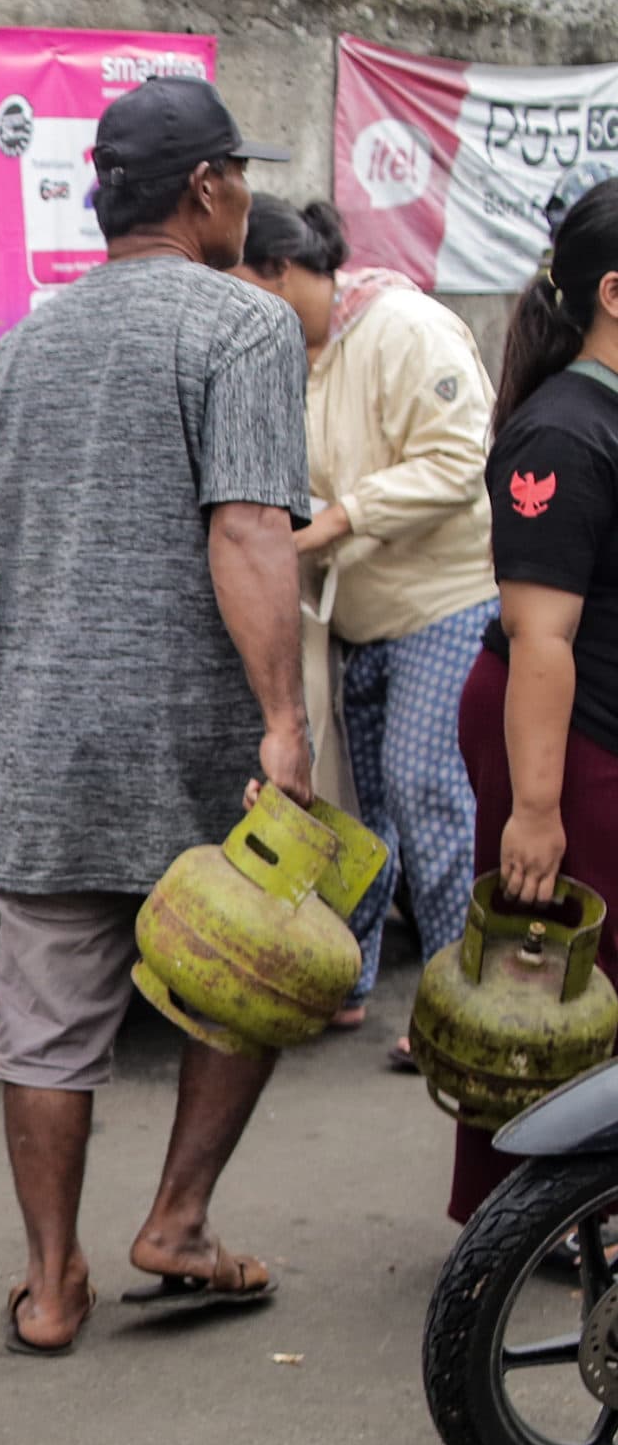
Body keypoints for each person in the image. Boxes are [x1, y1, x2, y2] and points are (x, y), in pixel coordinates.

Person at [0, 76, 311, 1356]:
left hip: (45, 738)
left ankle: (52, 1285)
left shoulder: (17, 352)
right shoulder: (244, 326)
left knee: (44, 1023)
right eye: (242, 177)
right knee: (249, 974)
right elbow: (251, 525)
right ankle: (178, 1216)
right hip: (196, 736)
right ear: (208, 187)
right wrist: (284, 717)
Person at [236, 195, 499, 1046]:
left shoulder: (405, 328)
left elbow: (461, 461)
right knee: (366, 807)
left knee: (426, 788)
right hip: (357, 614)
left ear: (279, 269)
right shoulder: (287, 355)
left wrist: (341, 518)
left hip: (446, 599)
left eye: (244, 282)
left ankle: (463, 1004)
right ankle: (347, 973)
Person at [452, 181, 618, 1219]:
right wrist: (537, 808)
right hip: (565, 734)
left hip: (586, 728)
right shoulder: (562, 434)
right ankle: (534, 1219)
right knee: (558, 973)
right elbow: (542, 637)